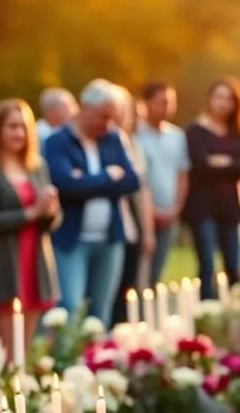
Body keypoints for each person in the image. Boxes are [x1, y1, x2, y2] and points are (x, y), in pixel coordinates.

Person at [43, 79, 141, 327]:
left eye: (112, 118)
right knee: (71, 308)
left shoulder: (113, 138)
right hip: (72, 239)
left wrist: (85, 180)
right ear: (85, 108)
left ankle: (99, 361)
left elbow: (131, 180)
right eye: (103, 116)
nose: (106, 124)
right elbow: (66, 185)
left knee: (101, 311)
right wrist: (109, 176)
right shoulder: (58, 142)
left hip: (109, 239)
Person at [0, 99, 61, 361]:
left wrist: (50, 211)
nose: (18, 133)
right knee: (2, 353)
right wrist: (30, 213)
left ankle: (21, 399)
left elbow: (50, 223)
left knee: (23, 353)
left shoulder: (37, 166)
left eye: (23, 127)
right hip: (3, 264)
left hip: (35, 262)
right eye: (11, 126)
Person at [182, 76, 240, 299]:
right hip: (203, 208)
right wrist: (238, 163)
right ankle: (205, 313)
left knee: (234, 267)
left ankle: (234, 315)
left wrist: (223, 162)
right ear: (210, 99)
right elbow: (202, 165)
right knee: (207, 264)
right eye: (219, 97)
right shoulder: (195, 130)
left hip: (230, 208)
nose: (223, 103)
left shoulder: (239, 132)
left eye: (229, 99)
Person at [110, 89, 156, 327]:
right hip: (115, 221)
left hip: (134, 222)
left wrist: (147, 230)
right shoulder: (110, 141)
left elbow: (142, 189)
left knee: (131, 281)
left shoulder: (136, 147)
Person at [135, 81, 188, 284]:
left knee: (157, 272)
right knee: (140, 273)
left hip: (169, 213)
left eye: (171, 103)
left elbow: (182, 174)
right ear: (147, 103)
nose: (168, 108)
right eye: (162, 102)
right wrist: (150, 212)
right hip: (143, 214)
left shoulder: (177, 136)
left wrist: (176, 208)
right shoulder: (135, 135)